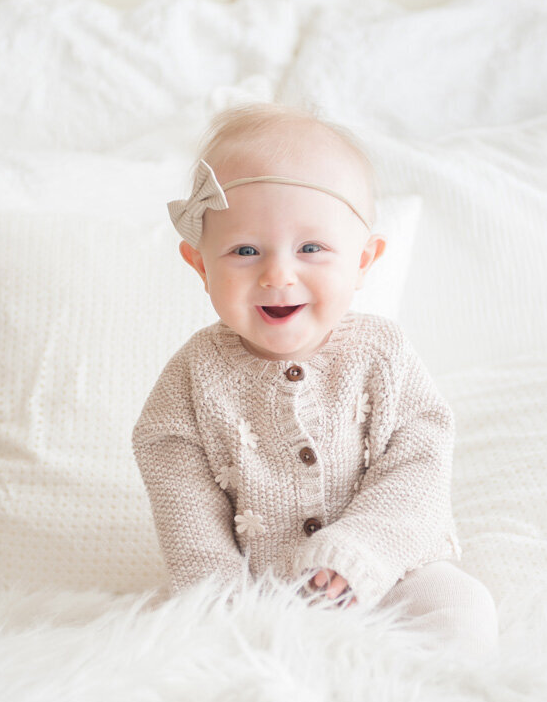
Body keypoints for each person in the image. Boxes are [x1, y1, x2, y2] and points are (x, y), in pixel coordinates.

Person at [132, 104, 497, 658]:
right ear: (200, 263)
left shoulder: (382, 353)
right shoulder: (194, 375)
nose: (278, 274)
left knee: (460, 608)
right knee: (167, 644)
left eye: (311, 249)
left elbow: (417, 467)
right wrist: (220, 596)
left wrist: (358, 554)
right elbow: (182, 496)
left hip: (392, 569)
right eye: (245, 251)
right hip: (259, 587)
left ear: (362, 260)